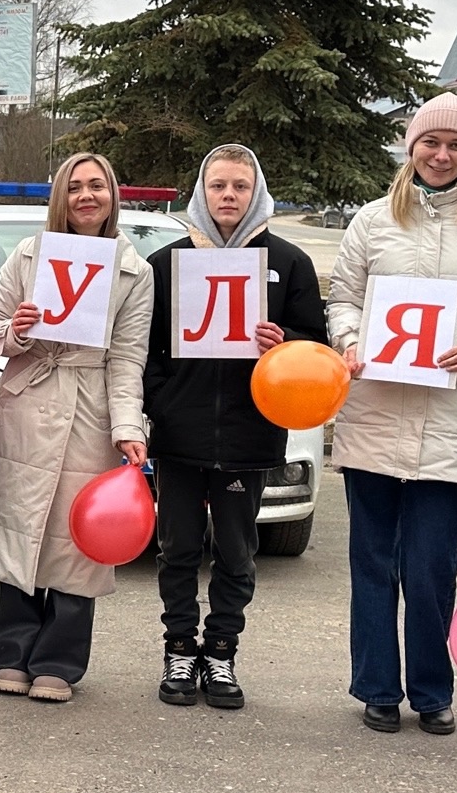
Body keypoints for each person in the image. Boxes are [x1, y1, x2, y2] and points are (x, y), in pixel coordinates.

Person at [325, 93, 457, 736]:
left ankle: (430, 688)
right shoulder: (371, 221)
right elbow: (344, 298)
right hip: (373, 416)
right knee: (372, 563)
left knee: (429, 566)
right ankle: (376, 687)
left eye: (456, 146)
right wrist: (351, 342)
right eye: (431, 143)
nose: (442, 155)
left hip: (452, 421)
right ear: (411, 147)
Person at [140, 143, 328, 711]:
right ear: (202, 192)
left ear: (257, 193)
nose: (228, 196)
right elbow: (142, 347)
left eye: (239, 187)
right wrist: (161, 399)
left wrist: (287, 344)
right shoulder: (166, 263)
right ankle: (179, 648)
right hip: (180, 433)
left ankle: (220, 652)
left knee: (238, 553)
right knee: (176, 549)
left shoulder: (290, 262)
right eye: (218, 186)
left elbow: (315, 344)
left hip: (250, 435)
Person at [0, 152, 156, 704]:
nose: (86, 196)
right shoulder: (27, 254)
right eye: (74, 186)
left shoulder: (134, 271)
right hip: (28, 403)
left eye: (97, 186)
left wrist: (127, 426)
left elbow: (128, 358)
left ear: (112, 195)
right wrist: (19, 330)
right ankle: (12, 652)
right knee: (21, 529)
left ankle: (59, 660)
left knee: (79, 539)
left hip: (90, 408)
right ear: (60, 196)